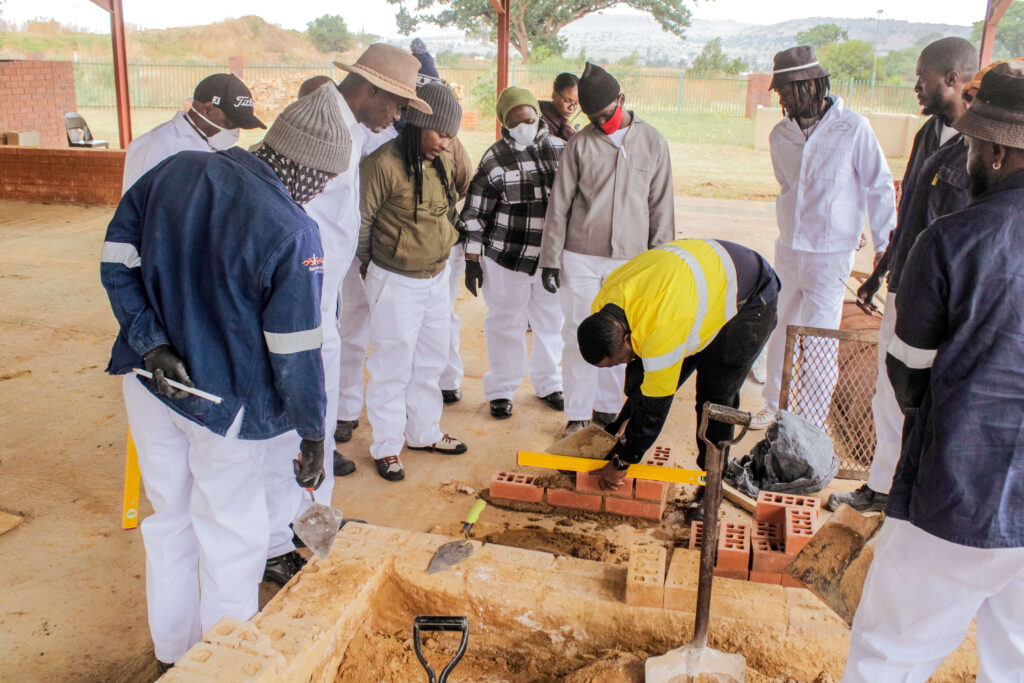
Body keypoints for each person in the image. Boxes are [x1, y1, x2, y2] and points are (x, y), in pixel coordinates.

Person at [100, 84, 350, 671]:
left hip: (149, 381)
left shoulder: (177, 170)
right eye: (324, 180)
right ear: (310, 168)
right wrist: (314, 434)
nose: (320, 193)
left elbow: (116, 262)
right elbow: (295, 351)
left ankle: (173, 656)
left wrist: (151, 342)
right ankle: (223, 668)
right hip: (222, 404)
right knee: (231, 536)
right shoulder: (294, 230)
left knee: (171, 523)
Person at [841, 60, 1024, 682]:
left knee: (890, 654)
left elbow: (909, 375)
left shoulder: (951, 240)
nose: (968, 153)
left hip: (956, 493)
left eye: (974, 143)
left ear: (997, 153)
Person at [827, 38, 977, 513]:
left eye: (923, 76)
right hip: (902, 289)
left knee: (930, 401)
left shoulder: (980, 150)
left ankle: (917, 495)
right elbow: (909, 209)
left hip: (943, 304)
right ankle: (881, 486)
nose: (915, 85)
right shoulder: (928, 136)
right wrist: (882, 270)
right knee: (887, 393)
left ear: (952, 79)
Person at [298, 44, 428, 485]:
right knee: (310, 368)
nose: (397, 118)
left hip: (325, 277)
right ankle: (308, 459)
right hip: (303, 278)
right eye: (395, 105)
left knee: (327, 361)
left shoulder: (352, 125)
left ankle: (316, 457)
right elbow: (292, 208)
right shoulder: (325, 126)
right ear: (370, 89)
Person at [749, 46, 896, 431]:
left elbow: (878, 185)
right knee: (778, 327)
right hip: (790, 250)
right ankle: (774, 406)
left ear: (812, 84)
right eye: (779, 92)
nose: (782, 99)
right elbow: (788, 187)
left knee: (819, 337)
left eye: (789, 90)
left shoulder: (853, 128)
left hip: (832, 255)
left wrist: (883, 244)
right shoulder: (780, 135)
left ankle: (810, 420)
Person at [577, 239, 779, 509]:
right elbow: (642, 378)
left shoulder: (661, 332)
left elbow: (655, 406)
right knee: (650, 379)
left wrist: (623, 462)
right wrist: (623, 430)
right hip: (693, 294)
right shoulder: (603, 307)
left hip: (751, 296)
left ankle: (711, 488)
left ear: (626, 339)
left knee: (714, 399)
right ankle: (619, 437)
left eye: (616, 362)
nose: (618, 367)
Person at [539, 62, 675, 437]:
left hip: (631, 262)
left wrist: (660, 265)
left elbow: (661, 207)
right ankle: (577, 414)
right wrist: (550, 258)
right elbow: (560, 204)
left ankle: (608, 412)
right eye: (592, 118)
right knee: (578, 333)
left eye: (604, 115)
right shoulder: (579, 144)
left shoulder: (653, 142)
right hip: (580, 258)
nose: (600, 124)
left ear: (622, 100)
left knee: (621, 336)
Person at [357, 81, 469, 481]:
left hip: (437, 278)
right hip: (395, 280)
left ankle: (424, 432)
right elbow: (362, 225)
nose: (446, 143)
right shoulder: (381, 164)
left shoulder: (441, 158)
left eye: (452, 136)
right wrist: (378, 266)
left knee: (431, 360)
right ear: (420, 123)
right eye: (441, 134)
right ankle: (387, 447)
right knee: (392, 365)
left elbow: (451, 201)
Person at [461, 86, 566, 419]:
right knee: (506, 324)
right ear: (504, 125)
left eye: (529, 118)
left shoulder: (563, 152)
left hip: (550, 259)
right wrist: (472, 260)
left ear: (538, 116)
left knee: (551, 323)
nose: (524, 125)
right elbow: (475, 213)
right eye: (514, 121)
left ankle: (549, 383)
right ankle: (502, 390)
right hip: (506, 259)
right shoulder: (494, 159)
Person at [122, 73, 265, 192]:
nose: (234, 130)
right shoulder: (155, 145)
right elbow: (134, 208)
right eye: (230, 122)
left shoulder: (213, 144)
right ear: (207, 109)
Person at [540, 72, 579, 141]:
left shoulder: (562, 119)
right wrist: (567, 130)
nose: (571, 108)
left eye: (576, 103)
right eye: (567, 100)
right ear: (554, 95)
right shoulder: (540, 117)